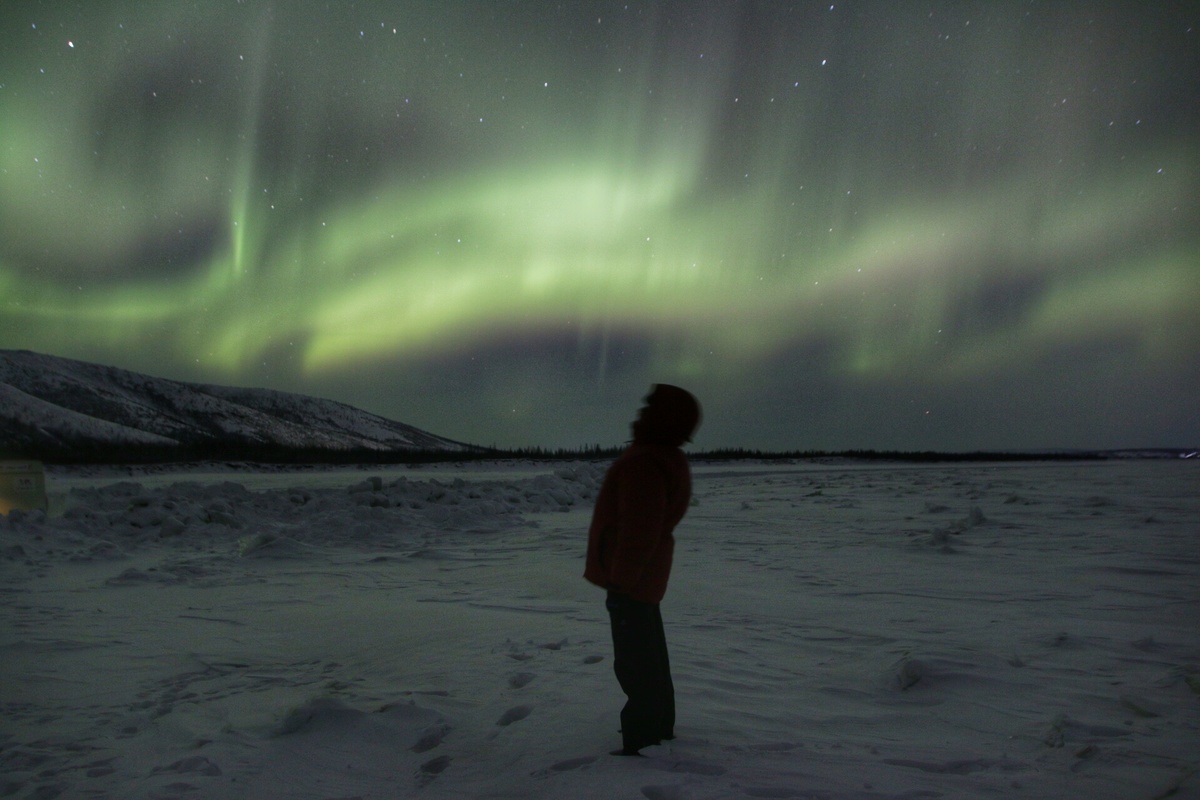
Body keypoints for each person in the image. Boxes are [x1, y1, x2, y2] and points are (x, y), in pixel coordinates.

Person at [584, 384, 702, 756]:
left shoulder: (645, 462)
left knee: (637, 664)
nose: (640, 412)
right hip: (645, 579)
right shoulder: (664, 457)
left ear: (663, 418)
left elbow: (639, 530)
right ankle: (658, 731)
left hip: (631, 581)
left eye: (649, 407)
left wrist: (621, 581)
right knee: (651, 659)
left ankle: (642, 743)